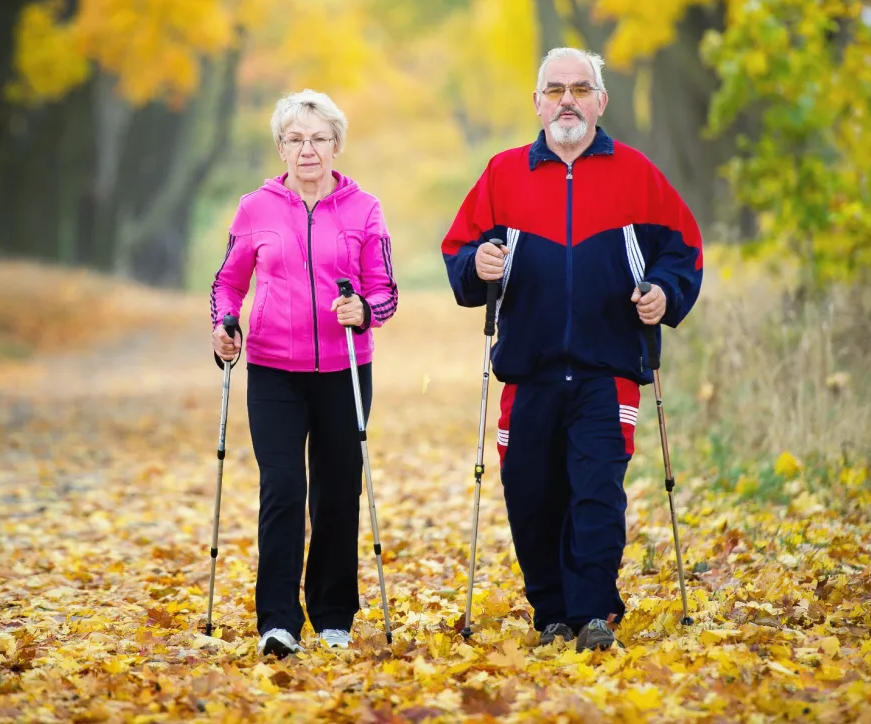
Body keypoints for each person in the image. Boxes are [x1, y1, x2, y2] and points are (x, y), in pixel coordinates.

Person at [440, 47, 704, 652]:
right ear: (536, 104)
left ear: (600, 102)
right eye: (555, 89)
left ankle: (592, 614)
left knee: (596, 490)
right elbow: (459, 252)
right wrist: (476, 265)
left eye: (581, 89)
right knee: (530, 492)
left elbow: (683, 247)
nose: (568, 100)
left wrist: (664, 292)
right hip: (526, 371)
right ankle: (551, 611)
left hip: (607, 368)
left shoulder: (636, 173)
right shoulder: (503, 174)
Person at [210, 89, 399, 657]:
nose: (307, 149)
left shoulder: (364, 209)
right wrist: (225, 322)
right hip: (273, 371)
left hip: (344, 368)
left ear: (337, 145)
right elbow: (228, 282)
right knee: (285, 489)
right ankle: (278, 620)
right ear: (281, 147)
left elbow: (385, 291)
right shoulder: (255, 208)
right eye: (295, 139)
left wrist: (364, 310)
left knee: (339, 493)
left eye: (318, 139)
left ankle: (335, 613)